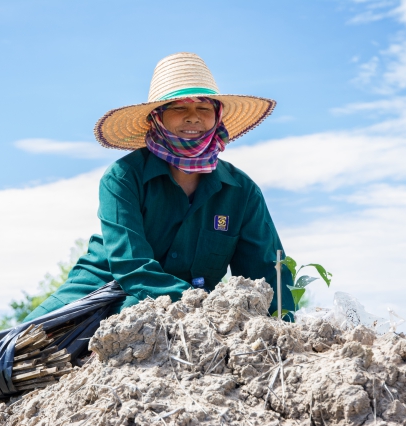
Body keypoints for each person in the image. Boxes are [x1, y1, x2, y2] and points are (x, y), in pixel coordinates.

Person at [24, 52, 295, 322]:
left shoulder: (242, 191)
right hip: (101, 288)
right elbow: (132, 268)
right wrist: (202, 307)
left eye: (204, 108)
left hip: (195, 310)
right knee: (16, 342)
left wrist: (285, 326)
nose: (193, 117)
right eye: (179, 108)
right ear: (157, 117)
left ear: (217, 116)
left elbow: (267, 273)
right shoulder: (123, 177)